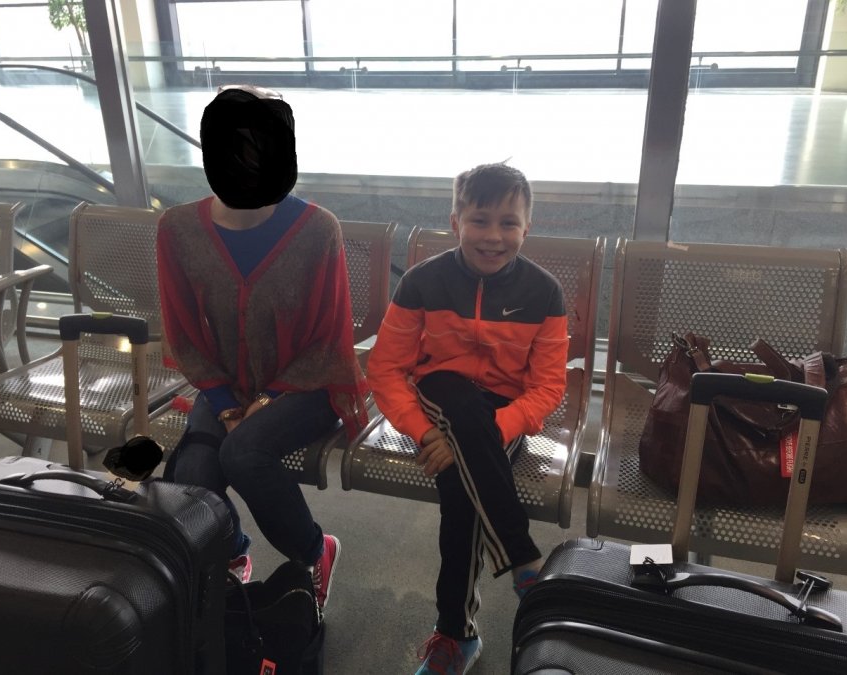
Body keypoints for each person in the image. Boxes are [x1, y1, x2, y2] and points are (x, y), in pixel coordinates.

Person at [156, 85, 368, 611]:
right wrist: (227, 404)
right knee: (194, 475)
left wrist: (268, 399)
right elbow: (183, 334)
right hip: (224, 383)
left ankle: (315, 551)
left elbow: (329, 340)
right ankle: (230, 551)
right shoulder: (178, 230)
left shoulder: (317, 230)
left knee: (243, 454)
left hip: (308, 384)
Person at [366, 162, 568, 674]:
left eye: (508, 223)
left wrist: (497, 428)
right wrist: (424, 432)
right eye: (479, 220)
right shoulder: (423, 281)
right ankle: (523, 560)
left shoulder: (544, 292)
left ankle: (455, 634)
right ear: (455, 222)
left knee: (461, 487)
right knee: (455, 396)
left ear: (527, 228)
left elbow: (547, 387)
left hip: (503, 413)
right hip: (440, 399)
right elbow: (386, 369)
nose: (493, 236)